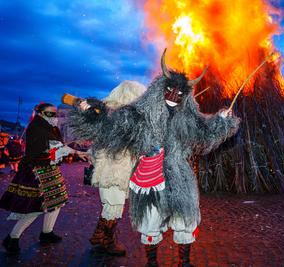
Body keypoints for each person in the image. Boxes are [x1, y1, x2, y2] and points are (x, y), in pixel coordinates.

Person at [69, 49, 240, 267]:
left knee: (185, 219)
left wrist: (221, 121)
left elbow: (205, 132)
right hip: (150, 178)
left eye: (180, 94)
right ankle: (151, 263)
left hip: (179, 178)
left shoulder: (187, 118)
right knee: (150, 220)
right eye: (169, 90)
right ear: (160, 89)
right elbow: (111, 127)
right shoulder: (138, 116)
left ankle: (184, 262)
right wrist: (93, 113)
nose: (174, 96)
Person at [0, 103, 86, 254]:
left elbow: (56, 148)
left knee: (57, 202)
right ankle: (12, 238)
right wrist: (76, 152)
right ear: (40, 113)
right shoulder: (36, 127)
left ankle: (47, 232)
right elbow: (55, 147)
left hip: (50, 169)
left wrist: (72, 148)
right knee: (36, 208)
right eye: (50, 113)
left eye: (55, 114)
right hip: (35, 172)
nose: (54, 117)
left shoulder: (50, 127)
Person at [88, 81, 146, 256]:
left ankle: (100, 238)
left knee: (110, 205)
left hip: (111, 170)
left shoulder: (108, 116)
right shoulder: (121, 118)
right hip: (114, 171)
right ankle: (107, 241)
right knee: (113, 205)